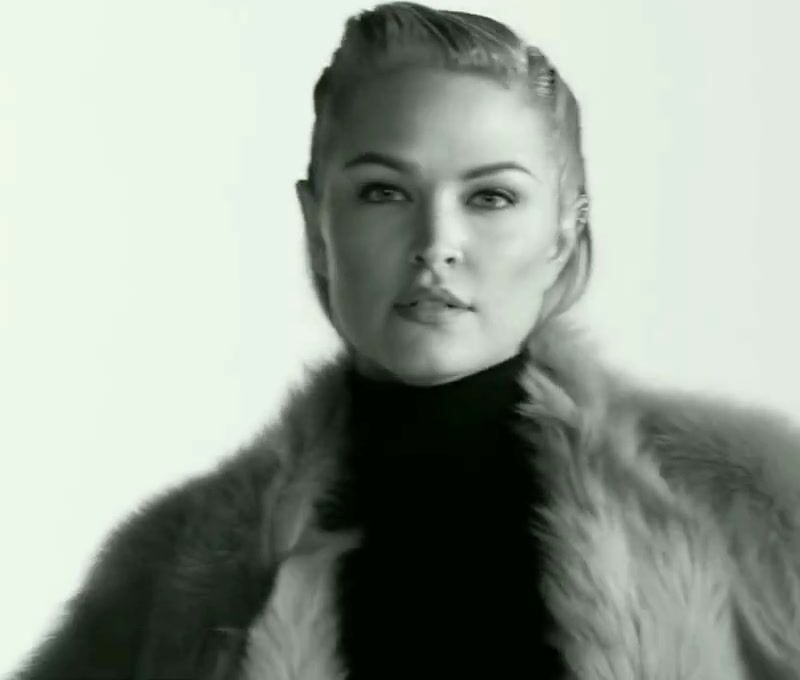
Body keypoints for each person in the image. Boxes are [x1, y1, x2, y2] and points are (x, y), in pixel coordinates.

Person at [13, 3, 800, 679]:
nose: (436, 245)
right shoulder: (171, 577)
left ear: (564, 233)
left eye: (491, 197)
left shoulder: (759, 511)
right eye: (384, 192)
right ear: (318, 225)